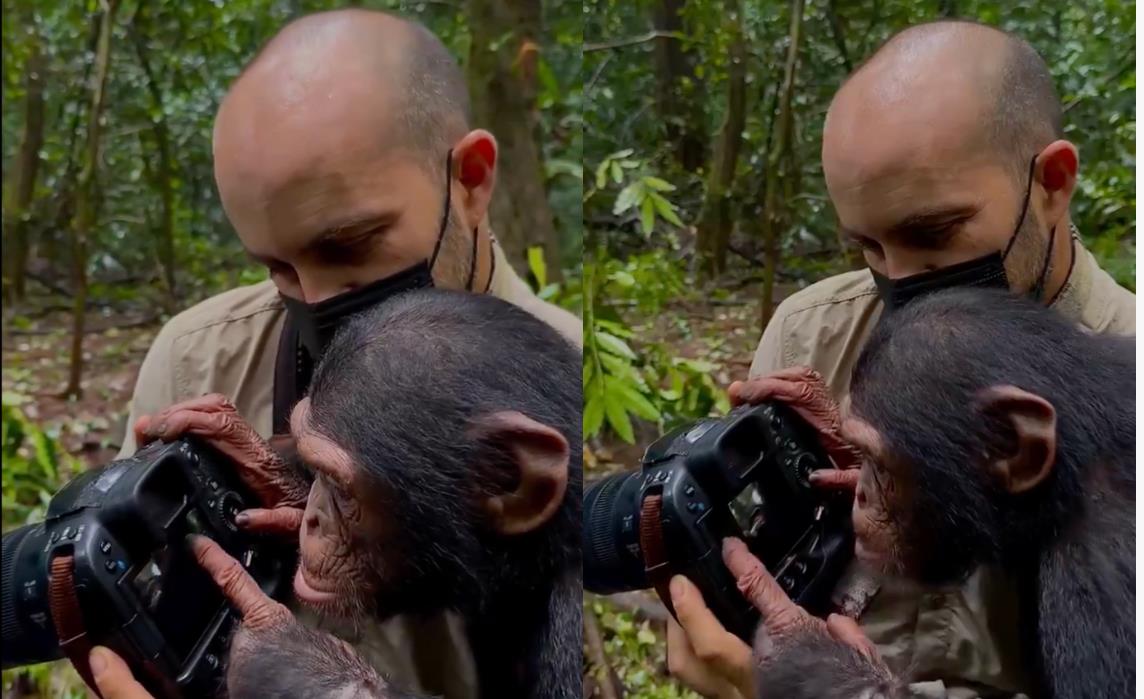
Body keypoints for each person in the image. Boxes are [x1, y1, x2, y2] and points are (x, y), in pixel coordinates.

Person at [113, 8, 580, 699]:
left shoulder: (576, 379)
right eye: (276, 267)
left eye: (350, 245)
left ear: (471, 180)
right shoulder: (199, 360)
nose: (316, 299)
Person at [665, 19, 1134, 699]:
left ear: (1053, 183)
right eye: (867, 245)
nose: (900, 281)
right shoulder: (813, 335)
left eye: (934, 232)